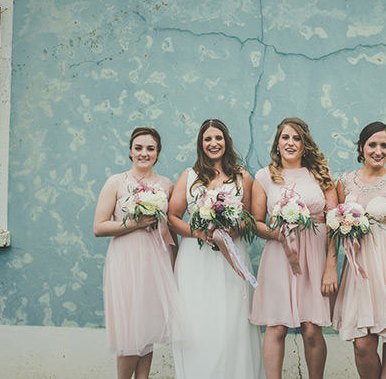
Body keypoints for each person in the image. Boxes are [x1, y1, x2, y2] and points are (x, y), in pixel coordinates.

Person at [168, 119, 264, 379]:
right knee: (197, 323)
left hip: (232, 257)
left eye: (218, 138)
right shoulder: (189, 176)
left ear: (226, 141)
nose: (214, 143)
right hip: (195, 260)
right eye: (208, 139)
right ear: (201, 144)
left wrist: (234, 229)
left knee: (232, 323)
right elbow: (173, 217)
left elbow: (252, 218)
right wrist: (199, 232)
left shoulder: (242, 176)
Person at [249, 117, 338, 379]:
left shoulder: (321, 173)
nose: (290, 142)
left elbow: (334, 221)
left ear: (304, 144)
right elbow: (256, 224)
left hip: (316, 257)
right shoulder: (264, 176)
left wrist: (331, 265)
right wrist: (279, 234)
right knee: (276, 327)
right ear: (277, 143)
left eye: (296, 138)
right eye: (285, 137)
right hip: (280, 256)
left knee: (312, 328)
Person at [93, 127, 184, 379]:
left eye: (150, 149)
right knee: (130, 332)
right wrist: (134, 223)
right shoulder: (116, 182)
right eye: (139, 148)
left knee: (148, 328)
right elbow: (99, 227)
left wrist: (175, 262)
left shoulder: (166, 184)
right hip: (126, 260)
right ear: (131, 152)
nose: (144, 153)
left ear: (157, 153)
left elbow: (171, 227)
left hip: (156, 260)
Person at [332, 121, 386, 379]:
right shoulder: (345, 182)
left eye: (384, 145)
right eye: (372, 144)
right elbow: (333, 227)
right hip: (358, 271)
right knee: (362, 345)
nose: (378, 150)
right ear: (361, 147)